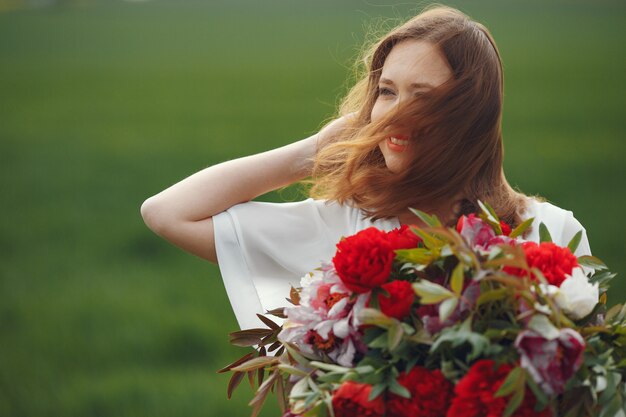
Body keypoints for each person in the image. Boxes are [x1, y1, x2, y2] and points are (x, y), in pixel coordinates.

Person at [141, 6, 590, 330]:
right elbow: (166, 212)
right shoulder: (341, 230)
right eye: (388, 92)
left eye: (424, 97)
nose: (393, 116)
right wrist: (316, 150)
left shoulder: (551, 236)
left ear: (472, 113)